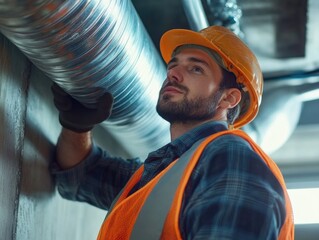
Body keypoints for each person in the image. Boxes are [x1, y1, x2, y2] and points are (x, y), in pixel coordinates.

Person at [51, 25, 294, 239]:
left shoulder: (233, 160)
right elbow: (80, 176)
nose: (173, 74)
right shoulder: (166, 171)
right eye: (173, 65)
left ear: (228, 98)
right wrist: (77, 126)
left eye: (196, 69)